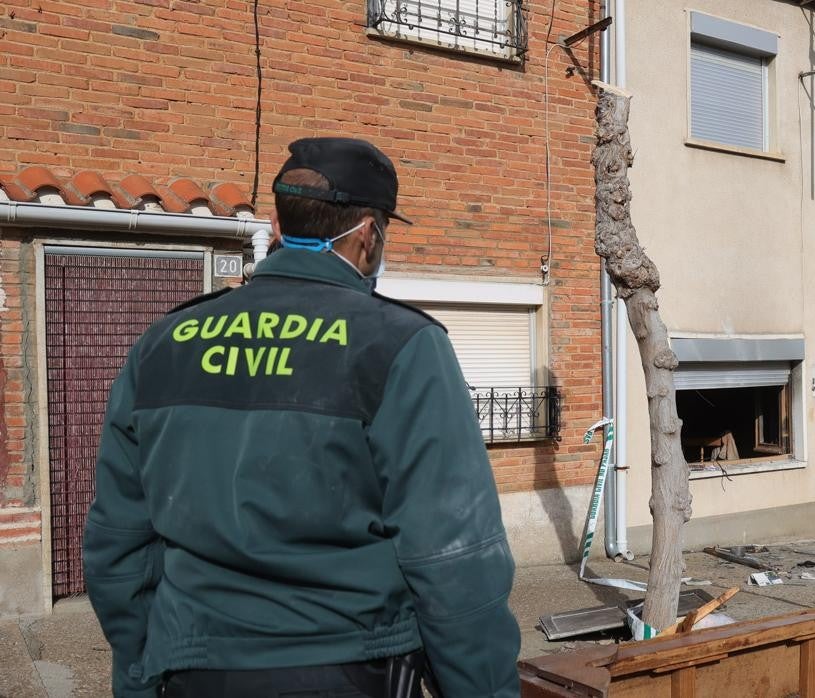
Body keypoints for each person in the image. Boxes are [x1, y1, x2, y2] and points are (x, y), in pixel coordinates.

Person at [83, 137, 521, 698]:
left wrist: (142, 676)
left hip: (191, 669)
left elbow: (116, 543)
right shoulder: (401, 344)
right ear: (368, 234)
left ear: (277, 223)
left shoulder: (163, 342)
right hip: (350, 667)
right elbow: (455, 558)